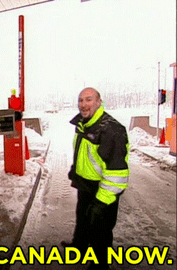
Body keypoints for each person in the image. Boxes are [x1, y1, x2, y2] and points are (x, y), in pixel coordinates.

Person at [62, 87, 129, 270]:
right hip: (86, 183)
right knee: (82, 219)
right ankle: (80, 249)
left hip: (104, 188)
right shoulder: (85, 123)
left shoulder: (111, 129)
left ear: (99, 102)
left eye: (89, 100)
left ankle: (100, 266)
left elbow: (117, 173)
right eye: (81, 100)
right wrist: (76, 170)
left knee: (101, 230)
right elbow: (85, 152)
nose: (84, 104)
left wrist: (101, 202)